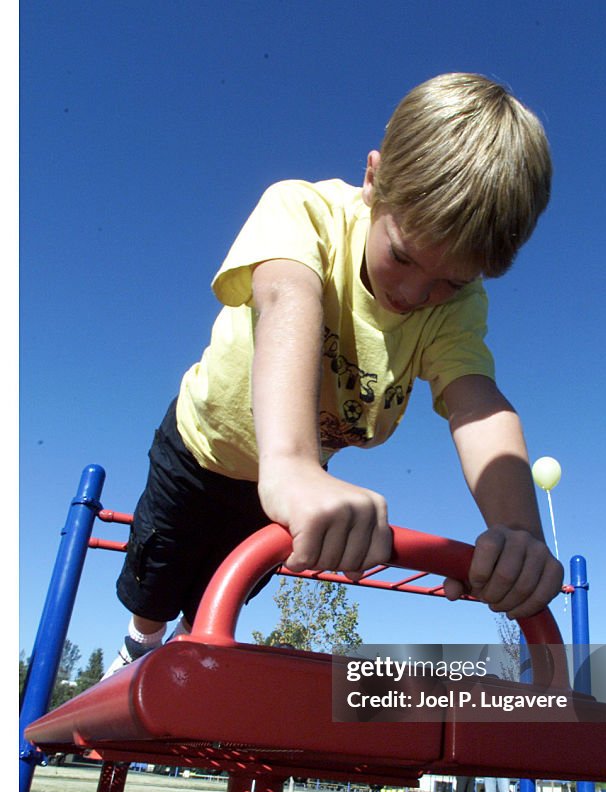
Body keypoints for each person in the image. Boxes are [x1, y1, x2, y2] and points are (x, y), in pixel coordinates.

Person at [104, 71, 563, 677]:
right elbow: (285, 299)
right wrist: (290, 464)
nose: (415, 293)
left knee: (225, 598)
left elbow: (476, 402)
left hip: (290, 483)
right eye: (402, 256)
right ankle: (139, 645)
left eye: (450, 282)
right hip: (203, 449)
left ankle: (187, 666)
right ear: (373, 181)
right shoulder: (304, 212)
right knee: (154, 587)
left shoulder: (456, 308)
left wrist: (517, 532)